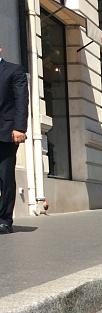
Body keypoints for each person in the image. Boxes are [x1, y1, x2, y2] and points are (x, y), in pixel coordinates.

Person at [0, 45, 29, 234]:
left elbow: (21, 100)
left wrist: (20, 128)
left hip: (6, 132)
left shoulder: (14, 70)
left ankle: (4, 220)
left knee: (5, 176)